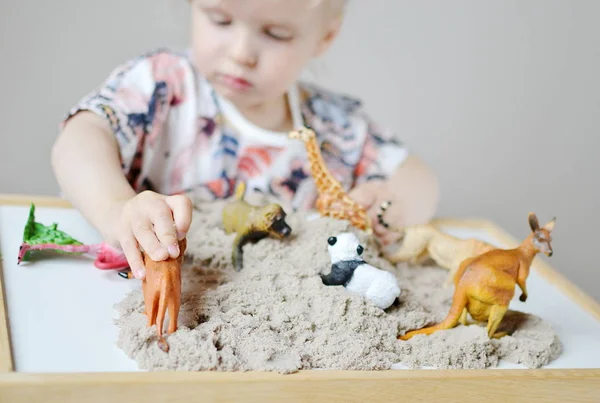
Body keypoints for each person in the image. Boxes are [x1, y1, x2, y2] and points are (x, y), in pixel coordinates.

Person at [51, 0, 439, 280]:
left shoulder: (334, 125)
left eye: (276, 33)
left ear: (325, 36)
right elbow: (81, 137)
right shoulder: (161, 84)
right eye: (220, 19)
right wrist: (115, 206)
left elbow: (417, 176)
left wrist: (392, 204)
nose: (241, 53)